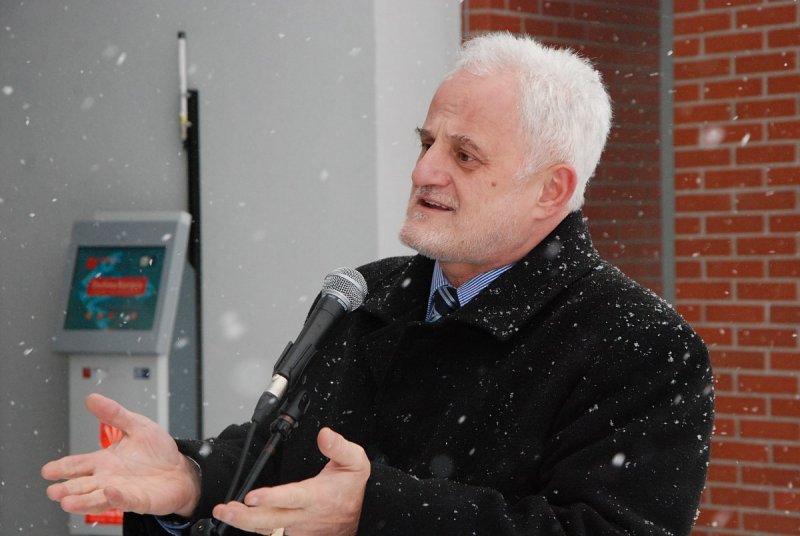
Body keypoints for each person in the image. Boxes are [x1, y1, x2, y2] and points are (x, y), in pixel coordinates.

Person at [42, 32, 714, 535]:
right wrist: (191, 478)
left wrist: (377, 511)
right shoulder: (364, 296)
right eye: (426, 142)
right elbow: (282, 454)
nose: (424, 172)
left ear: (551, 190)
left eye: (464, 155)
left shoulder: (640, 346)